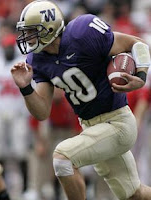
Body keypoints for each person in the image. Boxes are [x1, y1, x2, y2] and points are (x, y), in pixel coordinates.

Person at [11, 0, 151, 199]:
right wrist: (25, 88)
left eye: (33, 31)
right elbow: (42, 112)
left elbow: (136, 43)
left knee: (63, 158)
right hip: (91, 127)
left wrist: (141, 77)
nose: (28, 37)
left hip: (117, 122)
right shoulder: (39, 59)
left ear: (49, 28)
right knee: (135, 195)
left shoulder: (83, 33)